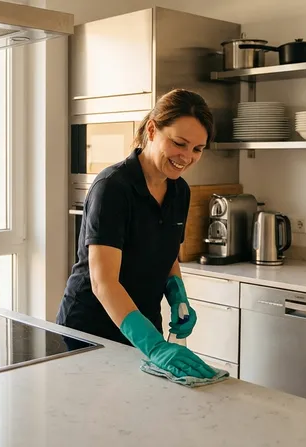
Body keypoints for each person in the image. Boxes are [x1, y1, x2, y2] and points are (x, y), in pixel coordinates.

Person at [57, 89, 216, 379]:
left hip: (144, 327)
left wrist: (177, 295)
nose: (187, 157)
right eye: (179, 143)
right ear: (152, 130)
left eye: (197, 149)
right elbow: (103, 282)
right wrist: (153, 345)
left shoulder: (180, 191)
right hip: (91, 331)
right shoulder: (113, 187)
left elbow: (167, 252)